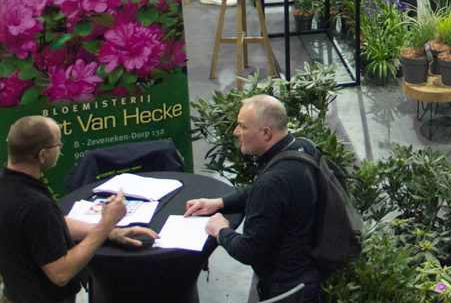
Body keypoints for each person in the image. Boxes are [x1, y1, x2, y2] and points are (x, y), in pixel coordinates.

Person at [0, 117, 157, 303]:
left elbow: (49, 225)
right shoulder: (35, 205)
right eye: (58, 144)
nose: (60, 148)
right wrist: (106, 224)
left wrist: (113, 232)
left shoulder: (8, 184)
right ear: (41, 155)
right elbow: (60, 273)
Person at [184, 96, 323, 302]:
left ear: (266, 133)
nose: (235, 132)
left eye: (242, 126)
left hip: (283, 288)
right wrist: (219, 203)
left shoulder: (272, 183)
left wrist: (221, 231)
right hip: (309, 275)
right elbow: (267, 192)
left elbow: (249, 251)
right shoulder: (302, 148)